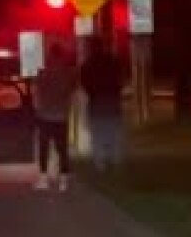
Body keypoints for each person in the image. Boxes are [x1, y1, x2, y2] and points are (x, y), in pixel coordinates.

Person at [32, 43, 77, 191]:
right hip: (61, 116)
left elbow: (36, 93)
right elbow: (72, 90)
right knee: (62, 148)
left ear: (49, 55)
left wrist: (38, 108)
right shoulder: (67, 73)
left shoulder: (43, 73)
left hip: (45, 115)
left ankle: (44, 179)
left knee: (44, 148)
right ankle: (63, 180)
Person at [81, 38, 125, 172]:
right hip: (113, 102)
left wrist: (92, 93)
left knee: (97, 135)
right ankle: (116, 161)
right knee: (114, 134)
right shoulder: (113, 61)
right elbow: (120, 79)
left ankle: (100, 165)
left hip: (97, 104)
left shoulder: (87, 65)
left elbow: (85, 84)